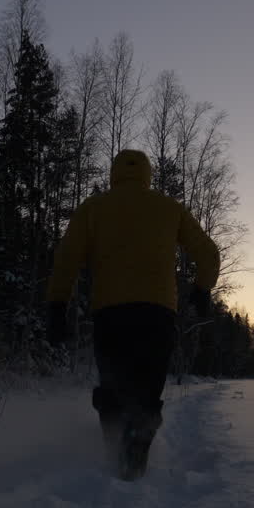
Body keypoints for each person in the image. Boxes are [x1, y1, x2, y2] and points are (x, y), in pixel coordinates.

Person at [45, 149, 220, 479]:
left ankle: (115, 456)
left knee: (113, 386)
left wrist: (57, 304)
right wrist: (201, 290)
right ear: (147, 174)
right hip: (157, 316)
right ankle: (135, 461)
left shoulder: (93, 208)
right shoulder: (169, 208)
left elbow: (67, 259)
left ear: (114, 174)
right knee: (147, 390)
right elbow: (209, 253)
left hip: (111, 315)